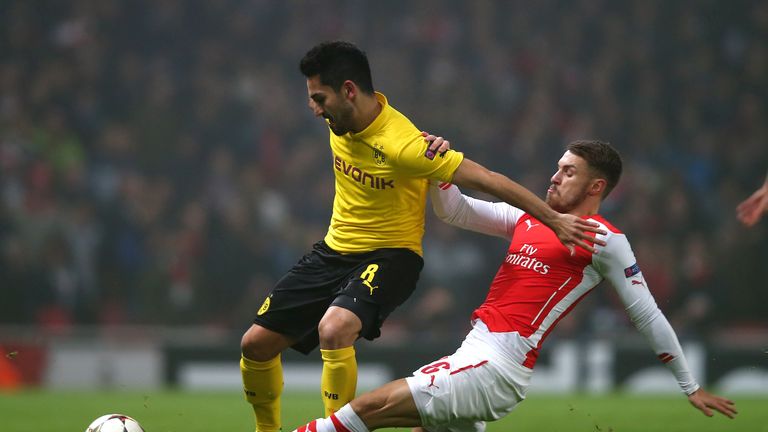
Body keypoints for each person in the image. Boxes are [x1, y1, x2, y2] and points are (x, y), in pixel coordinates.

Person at [239, 41, 606, 432]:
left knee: (334, 328)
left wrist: (553, 219)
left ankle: (336, 428)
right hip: (333, 252)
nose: (314, 108)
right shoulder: (339, 122)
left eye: (319, 98)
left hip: (391, 256)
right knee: (254, 345)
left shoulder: (406, 146)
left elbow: (489, 181)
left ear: (348, 90)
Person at [291, 139, 738, 432]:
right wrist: (438, 166)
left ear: (596, 185)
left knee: (365, 411)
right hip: (475, 351)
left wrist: (688, 385)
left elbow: (647, 315)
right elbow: (456, 211)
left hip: (498, 368)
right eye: (557, 167)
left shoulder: (604, 240)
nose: (554, 176)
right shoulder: (529, 218)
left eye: (568, 172)